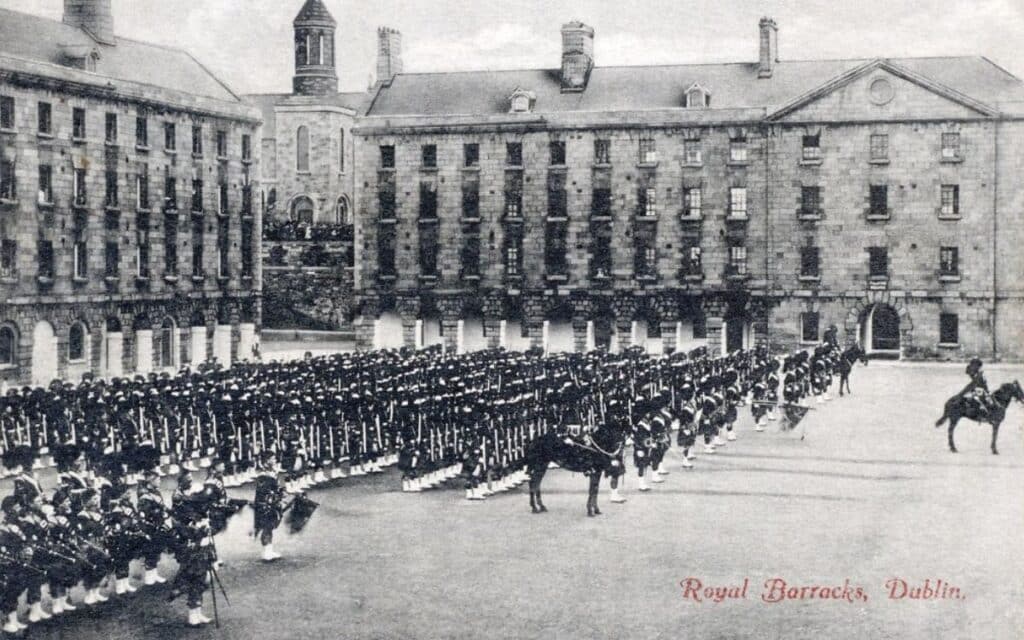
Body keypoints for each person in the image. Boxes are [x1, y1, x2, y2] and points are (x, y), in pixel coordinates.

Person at [253, 451, 286, 561]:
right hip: (264, 505)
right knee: (266, 527)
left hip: (271, 503)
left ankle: (269, 550)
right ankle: (266, 552)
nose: (275, 460)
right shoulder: (263, 474)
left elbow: (276, 486)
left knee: (270, 527)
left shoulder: (272, 471)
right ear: (267, 461)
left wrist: (281, 492)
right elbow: (264, 491)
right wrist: (276, 496)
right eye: (272, 458)